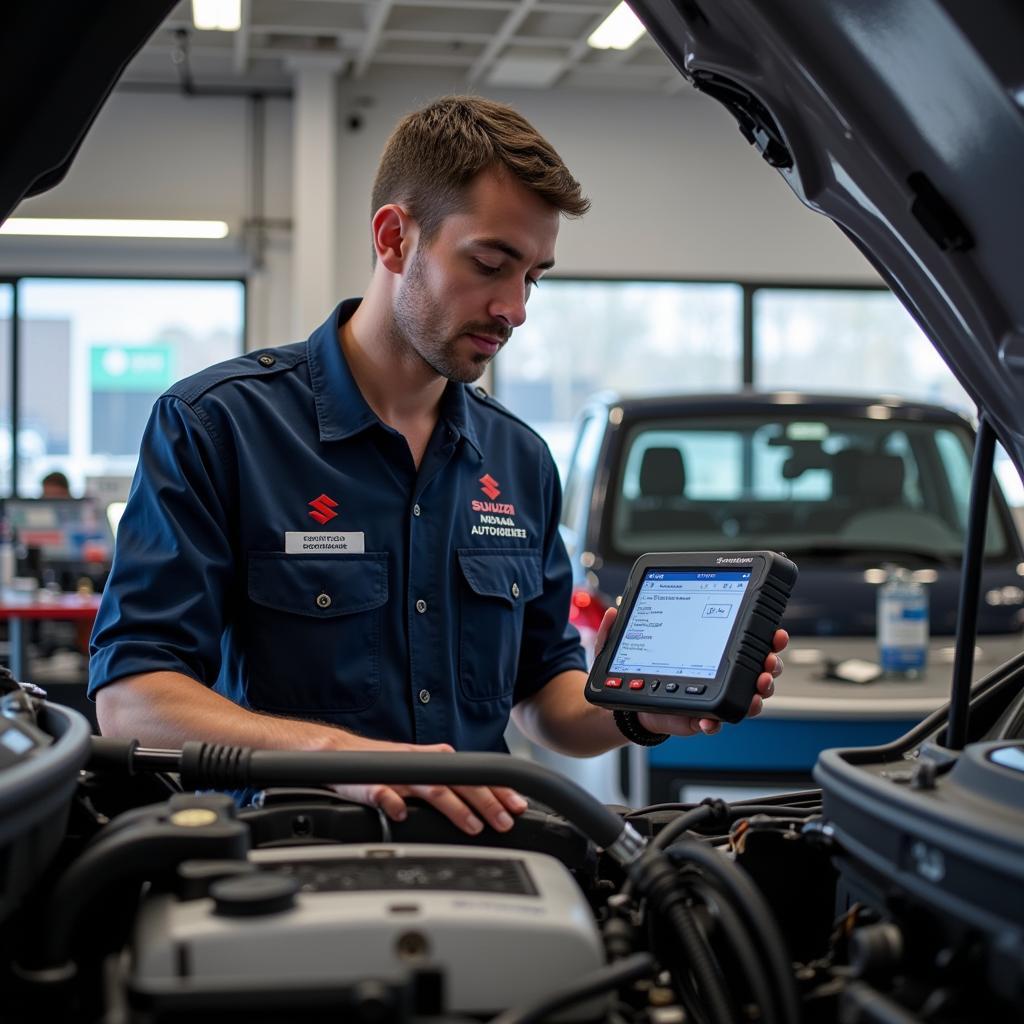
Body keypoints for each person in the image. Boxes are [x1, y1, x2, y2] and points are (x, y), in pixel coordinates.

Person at [90, 96, 787, 836]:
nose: (515, 308)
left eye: (534, 277)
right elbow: (132, 697)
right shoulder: (219, 426)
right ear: (395, 239)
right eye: (491, 264)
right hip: (278, 865)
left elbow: (546, 697)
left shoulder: (519, 460)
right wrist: (346, 760)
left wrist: (641, 711)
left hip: (483, 860)